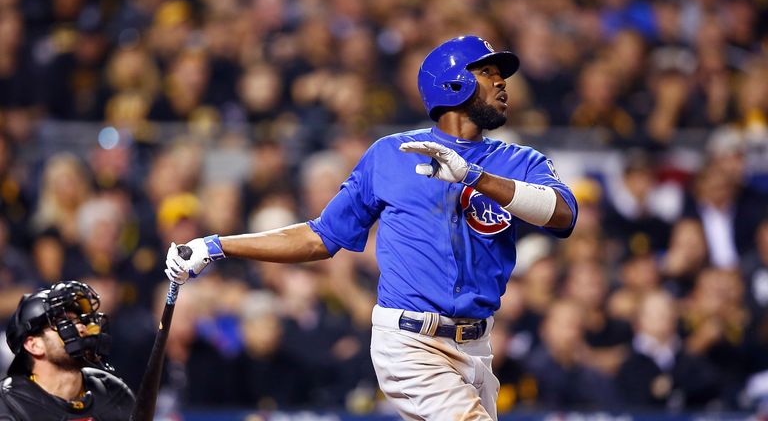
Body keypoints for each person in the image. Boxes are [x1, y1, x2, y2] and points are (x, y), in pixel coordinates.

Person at [165, 35, 578, 421]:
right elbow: (319, 237)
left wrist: (475, 177)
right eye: (487, 72)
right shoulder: (391, 154)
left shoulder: (521, 161)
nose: (501, 82)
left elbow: (563, 216)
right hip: (409, 342)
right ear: (453, 83)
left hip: (478, 346)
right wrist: (217, 245)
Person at [0, 280, 135, 420]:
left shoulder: (115, 394)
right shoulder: (8, 406)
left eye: (79, 321)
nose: (82, 328)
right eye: (64, 323)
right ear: (34, 345)